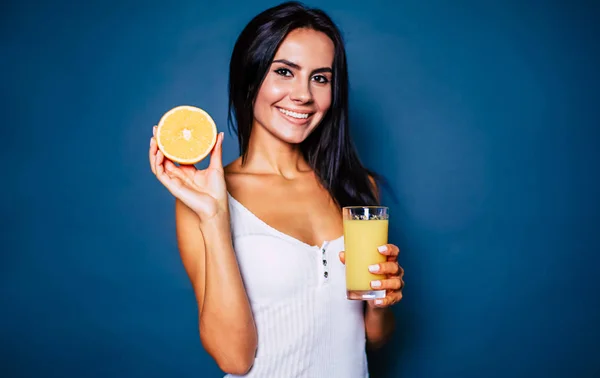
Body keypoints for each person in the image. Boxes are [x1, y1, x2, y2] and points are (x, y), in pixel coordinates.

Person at [148, 2, 405, 377]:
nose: (303, 94)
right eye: (284, 72)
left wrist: (382, 303)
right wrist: (215, 218)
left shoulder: (356, 187)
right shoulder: (203, 200)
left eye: (320, 77)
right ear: (250, 78)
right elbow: (234, 359)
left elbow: (371, 340)